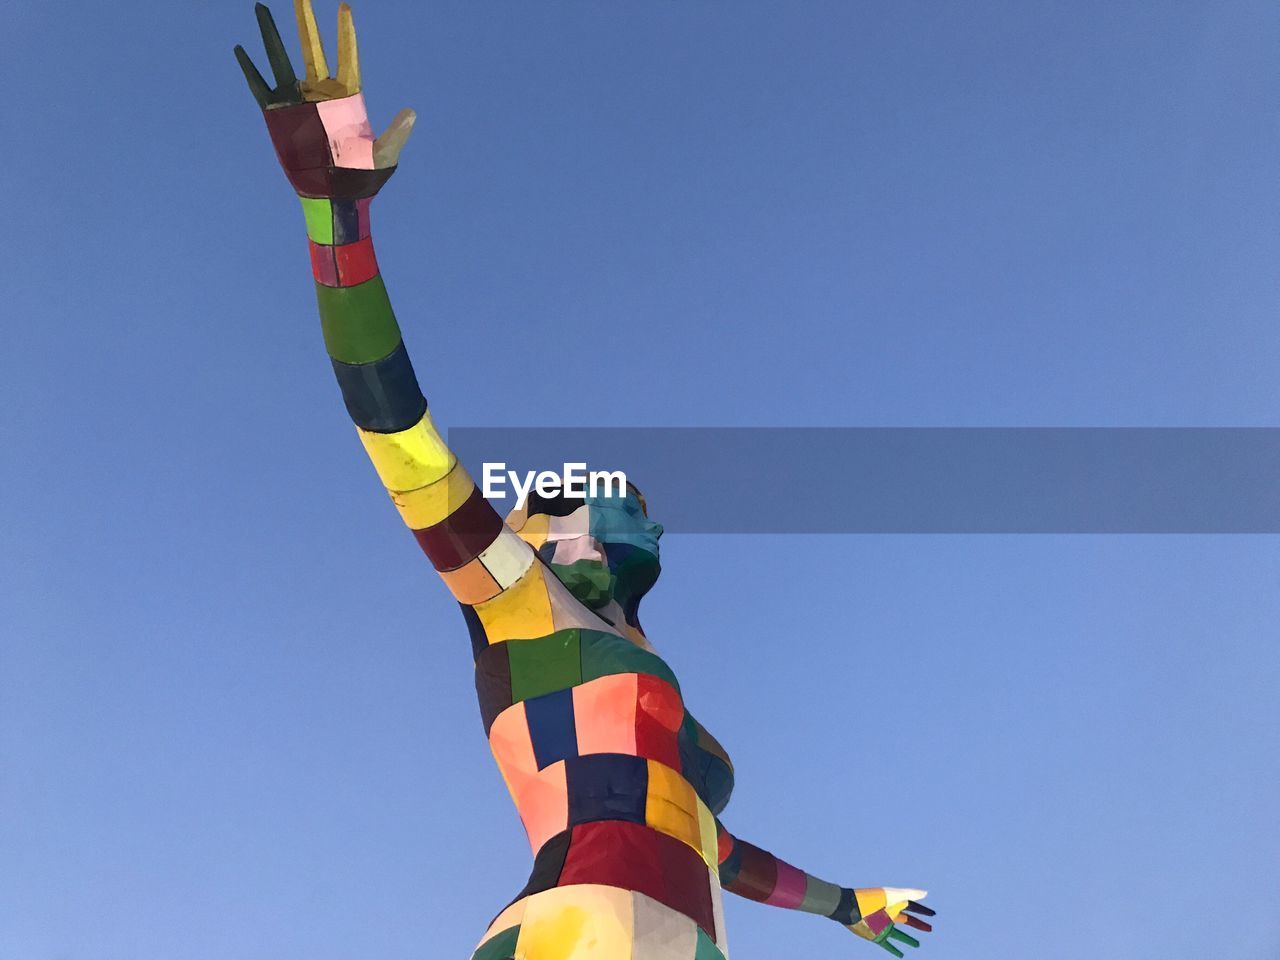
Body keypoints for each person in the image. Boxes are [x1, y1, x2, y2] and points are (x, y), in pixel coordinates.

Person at [233, 4, 935, 957]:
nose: (617, 505)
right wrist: (337, 219)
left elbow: (722, 854)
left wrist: (847, 905)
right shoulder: (518, 602)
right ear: (537, 533)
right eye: (574, 496)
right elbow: (398, 433)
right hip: (580, 926)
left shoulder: (645, 702)